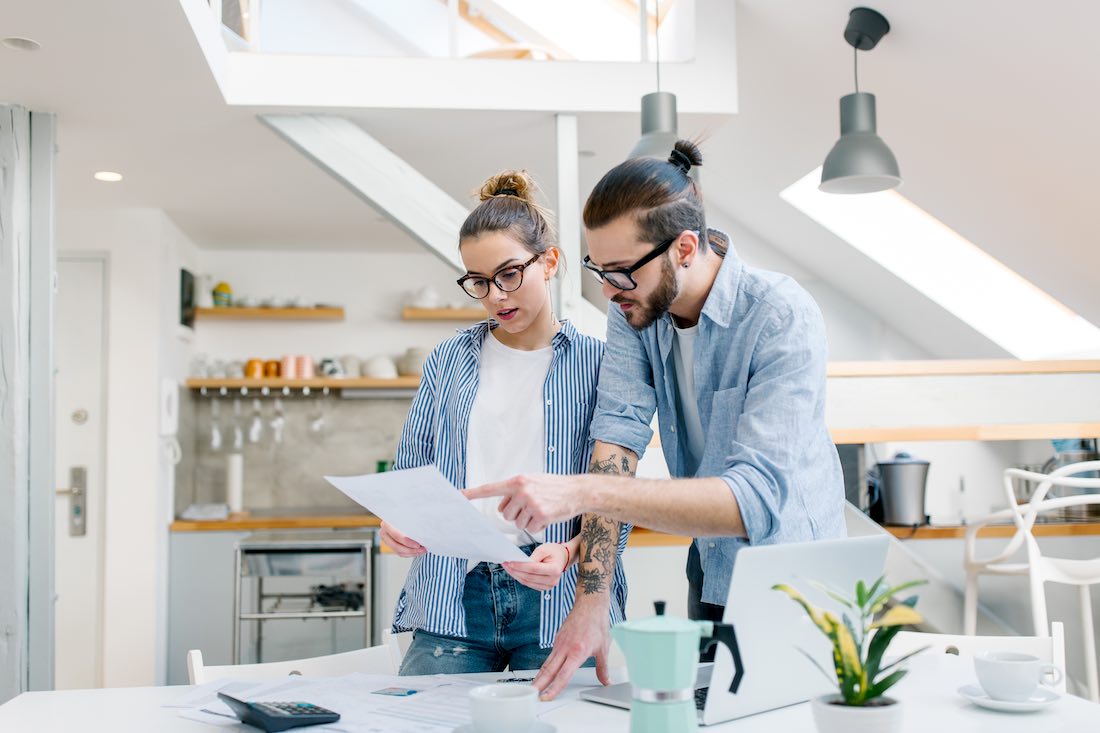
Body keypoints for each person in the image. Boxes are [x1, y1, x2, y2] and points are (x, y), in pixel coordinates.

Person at [465, 141, 846, 698]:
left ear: (684, 248)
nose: (607, 289)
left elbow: (753, 503)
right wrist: (591, 603)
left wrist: (579, 493)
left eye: (619, 272)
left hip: (795, 580)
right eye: (598, 269)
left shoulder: (779, 315)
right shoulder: (637, 311)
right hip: (712, 568)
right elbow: (617, 438)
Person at [380, 170, 629, 676]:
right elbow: (410, 478)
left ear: (551, 262)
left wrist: (570, 549)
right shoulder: (448, 359)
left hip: (555, 597)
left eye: (509, 273)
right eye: (478, 281)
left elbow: (614, 496)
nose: (495, 294)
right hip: (453, 595)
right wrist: (394, 521)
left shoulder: (600, 364)